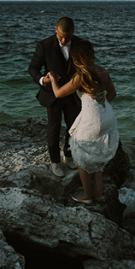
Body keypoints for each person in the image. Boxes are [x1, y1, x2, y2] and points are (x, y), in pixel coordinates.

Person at [46, 40, 119, 204]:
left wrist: (51, 78)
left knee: (81, 152)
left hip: (92, 118)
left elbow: (58, 93)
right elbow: (112, 94)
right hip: (107, 115)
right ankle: (98, 194)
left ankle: (87, 196)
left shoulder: (81, 76)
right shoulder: (103, 71)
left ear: (76, 58)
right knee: (97, 154)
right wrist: (100, 106)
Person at [28, 17, 82, 177]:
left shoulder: (80, 44)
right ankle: (54, 161)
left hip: (73, 95)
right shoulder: (44, 45)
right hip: (53, 95)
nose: (64, 40)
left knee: (73, 128)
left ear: (73, 32)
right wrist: (43, 80)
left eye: (67, 37)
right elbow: (32, 68)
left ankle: (69, 155)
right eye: (60, 37)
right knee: (54, 128)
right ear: (55, 30)